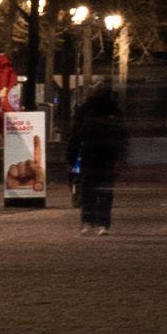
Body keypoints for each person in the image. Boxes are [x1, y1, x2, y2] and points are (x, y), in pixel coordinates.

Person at [65, 81, 128, 233]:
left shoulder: (85, 109)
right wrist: (121, 157)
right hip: (107, 155)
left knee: (88, 189)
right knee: (105, 190)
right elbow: (122, 135)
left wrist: (71, 158)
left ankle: (87, 221)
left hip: (89, 153)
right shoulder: (114, 110)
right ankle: (103, 224)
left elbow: (76, 135)